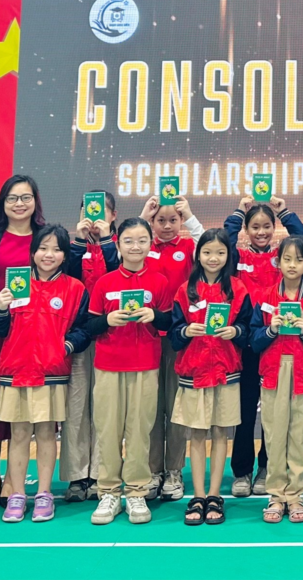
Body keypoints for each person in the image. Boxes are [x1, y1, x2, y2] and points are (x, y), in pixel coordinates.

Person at [0, 224, 90, 523]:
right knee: (19, 434)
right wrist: (1, 308)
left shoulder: (75, 288)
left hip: (51, 373)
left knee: (46, 434)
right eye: (43, 248)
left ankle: (44, 494)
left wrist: (65, 346)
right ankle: (17, 495)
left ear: (65, 255)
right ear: (33, 252)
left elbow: (84, 330)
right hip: (16, 370)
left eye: (56, 249)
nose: (49, 254)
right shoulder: (15, 283)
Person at [84, 216, 174, 525]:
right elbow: (89, 325)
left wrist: (154, 315)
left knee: (139, 432)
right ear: (119, 244)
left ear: (150, 244)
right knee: (108, 431)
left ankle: (136, 491)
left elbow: (169, 321)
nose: (136, 246)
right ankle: (109, 492)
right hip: (108, 366)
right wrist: (107, 321)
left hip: (145, 365)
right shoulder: (104, 283)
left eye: (142, 241)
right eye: (129, 241)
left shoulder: (159, 282)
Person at [223, 194, 303, 497]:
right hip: (247, 343)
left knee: (274, 413)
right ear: (246, 230)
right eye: (255, 227)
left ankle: (267, 467)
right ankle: (242, 471)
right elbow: (225, 240)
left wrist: (284, 212)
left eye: (267, 226)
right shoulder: (238, 258)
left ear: (274, 228)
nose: (261, 232)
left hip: (277, 342)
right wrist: (238, 212)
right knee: (246, 410)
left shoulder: (282, 256)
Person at [169, 228, 253, 526]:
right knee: (196, 434)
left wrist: (235, 331)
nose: (213, 258)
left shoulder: (239, 289)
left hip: (226, 372)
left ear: (229, 256)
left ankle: (215, 495)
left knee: (220, 433)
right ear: (198, 255)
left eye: (220, 252)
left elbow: (248, 329)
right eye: (207, 252)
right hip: (194, 373)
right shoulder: (185, 291)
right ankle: (198, 495)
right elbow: (174, 335)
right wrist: (185, 331)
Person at [249, 235, 303, 524]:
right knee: (274, 436)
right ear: (278, 262)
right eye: (286, 259)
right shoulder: (265, 298)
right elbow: (253, 340)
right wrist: (270, 330)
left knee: (299, 436)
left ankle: (296, 495)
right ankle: (276, 495)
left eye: (299, 260)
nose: (292, 265)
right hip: (274, 373)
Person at [0, 174, 46, 508]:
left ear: (35, 201)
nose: (19, 204)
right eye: (12, 198)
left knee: (24, 415)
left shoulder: (45, 236)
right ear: (3, 203)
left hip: (34, 333)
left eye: (26, 197)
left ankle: (14, 481)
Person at [140, 193, 204, 502]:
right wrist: (143, 216)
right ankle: (153, 470)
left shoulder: (189, 247)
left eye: (173, 220)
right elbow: (121, 248)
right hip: (147, 336)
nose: (167, 226)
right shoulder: (143, 246)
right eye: (160, 220)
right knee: (152, 408)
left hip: (179, 337)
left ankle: (175, 470)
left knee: (177, 406)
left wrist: (189, 215)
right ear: (152, 223)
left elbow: (211, 246)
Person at [60, 191, 119, 503]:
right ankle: (76, 475)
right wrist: (80, 241)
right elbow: (66, 280)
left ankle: (100, 473)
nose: (94, 217)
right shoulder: (72, 246)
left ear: (113, 215)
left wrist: (106, 240)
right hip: (79, 338)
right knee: (76, 409)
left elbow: (118, 277)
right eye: (88, 210)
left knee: (106, 411)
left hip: (113, 338)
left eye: (101, 210)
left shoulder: (121, 244)